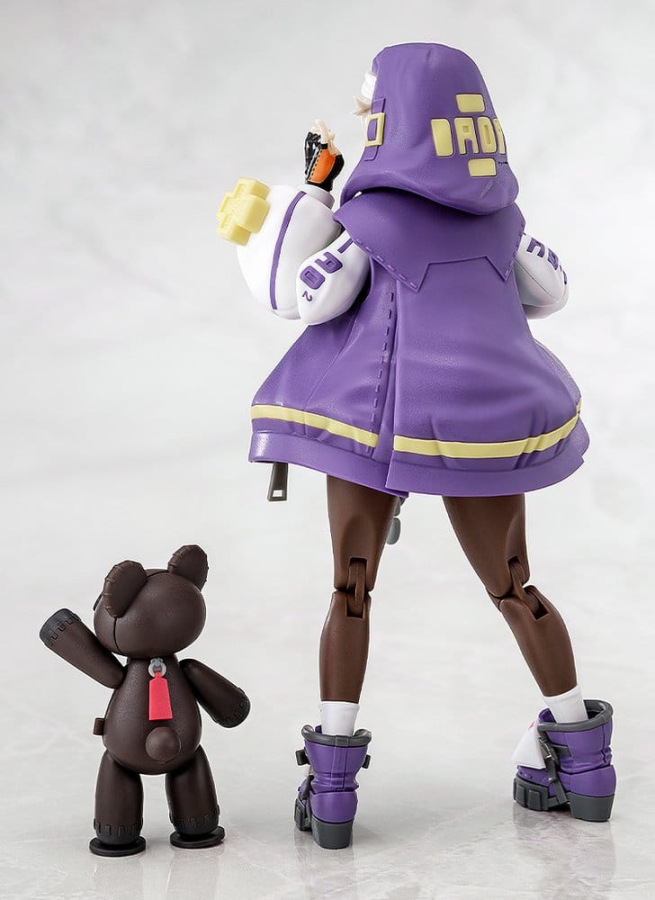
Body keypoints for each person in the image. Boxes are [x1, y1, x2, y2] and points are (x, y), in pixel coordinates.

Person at [219, 42, 615, 850]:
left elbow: (310, 298)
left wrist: (310, 202)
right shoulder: (503, 222)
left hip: (375, 425)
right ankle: (584, 766)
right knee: (515, 585)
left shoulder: (366, 223)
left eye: (371, 110)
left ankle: (332, 788)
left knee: (351, 590)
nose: (362, 118)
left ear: (393, 124)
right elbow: (551, 291)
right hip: (483, 426)